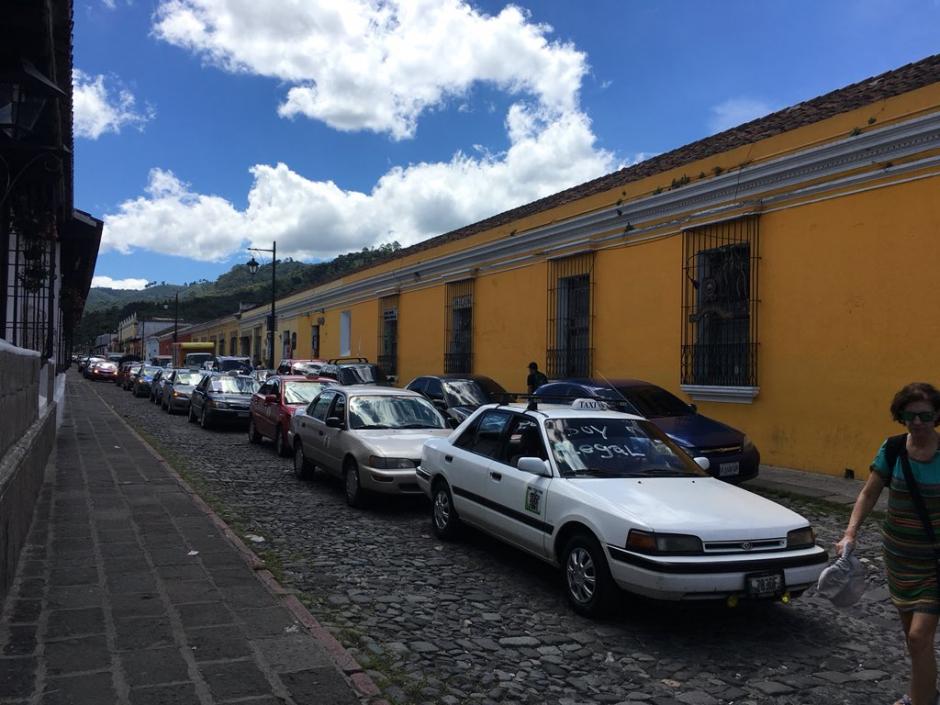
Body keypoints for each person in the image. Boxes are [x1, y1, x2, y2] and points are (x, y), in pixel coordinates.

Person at [837, 382, 940, 705]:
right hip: (898, 559)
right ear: (901, 416)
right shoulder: (893, 449)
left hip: (935, 563)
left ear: (937, 415)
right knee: (916, 643)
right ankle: (923, 694)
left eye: (925, 416)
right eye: (910, 416)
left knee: (918, 635)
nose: (918, 422)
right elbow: (868, 493)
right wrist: (850, 533)